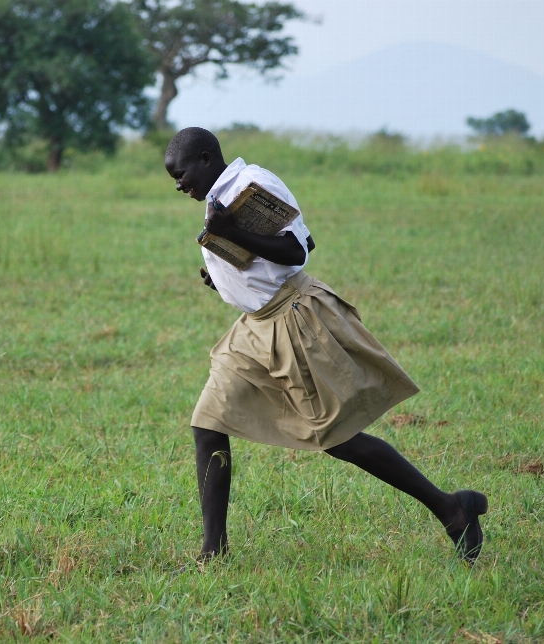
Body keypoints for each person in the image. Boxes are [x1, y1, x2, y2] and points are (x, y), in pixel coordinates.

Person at [164, 127, 488, 565]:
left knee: (338, 440)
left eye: (181, 174)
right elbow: (264, 259)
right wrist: (224, 273)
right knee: (208, 423)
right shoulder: (217, 199)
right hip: (253, 327)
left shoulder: (252, 185)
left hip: (291, 320)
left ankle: (451, 508)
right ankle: (213, 551)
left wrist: (231, 235)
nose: (179, 184)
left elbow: (296, 250)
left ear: (206, 158)